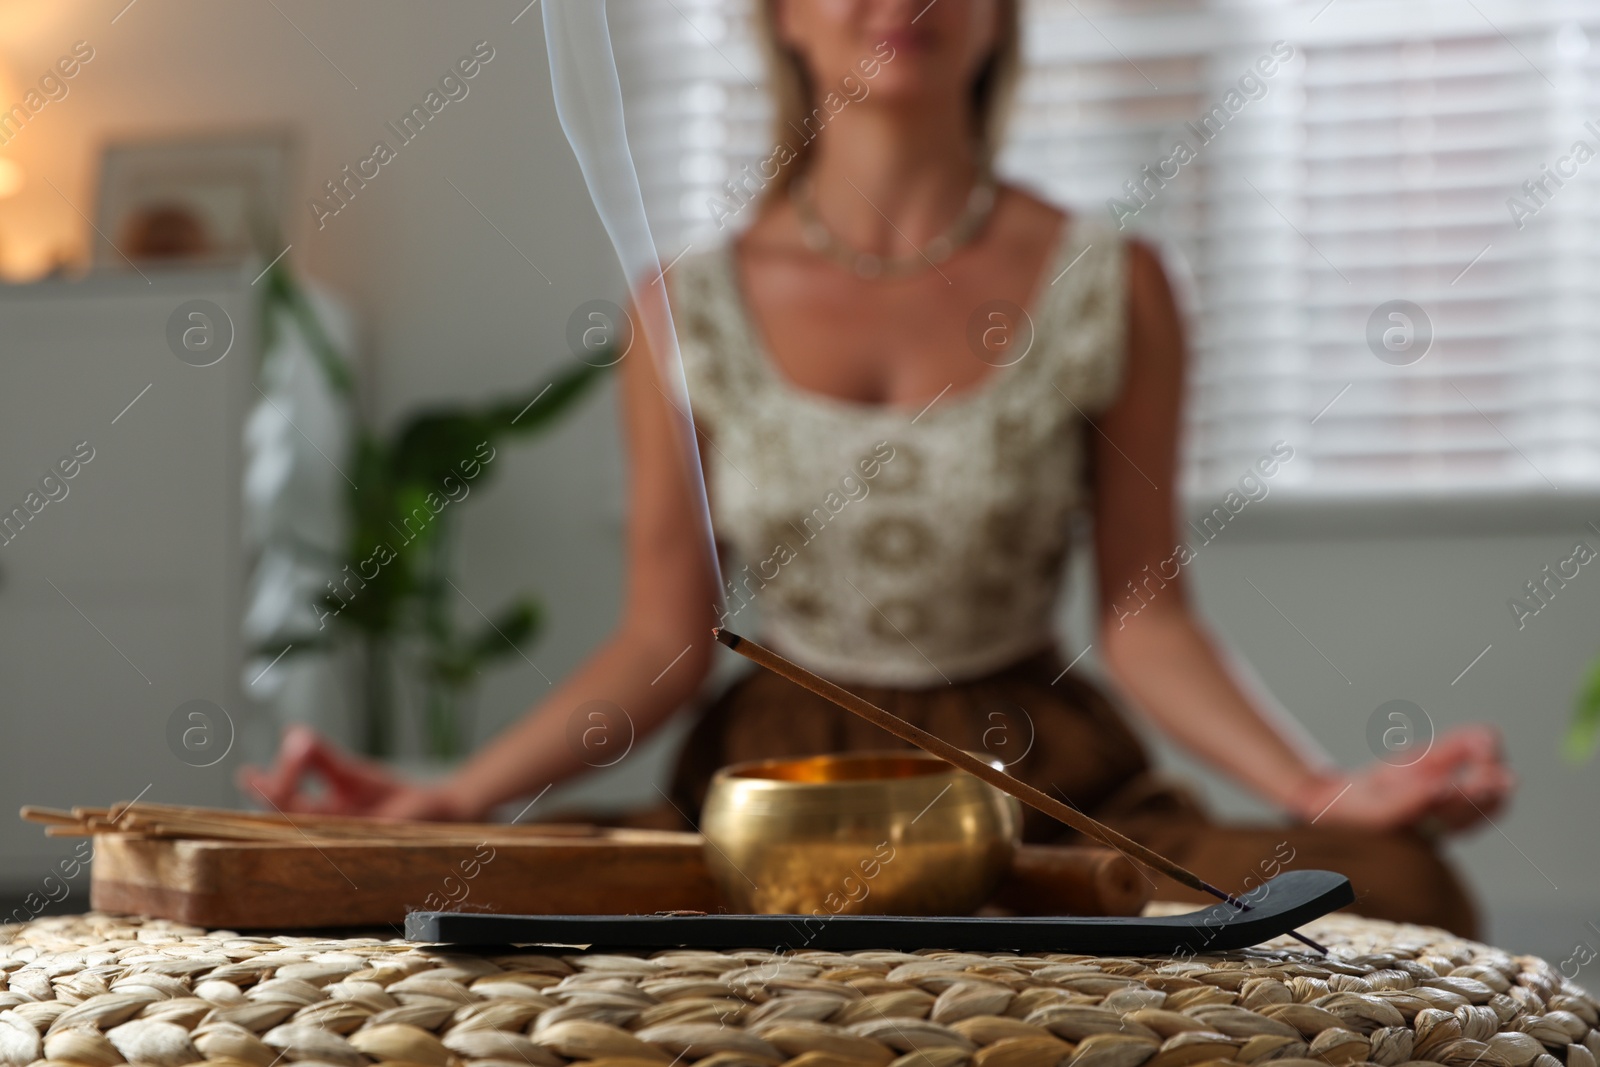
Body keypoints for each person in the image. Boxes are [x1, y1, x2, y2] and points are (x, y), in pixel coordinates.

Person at [242, 0, 1513, 935]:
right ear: (780, 16)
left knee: (1390, 892)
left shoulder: (1110, 283)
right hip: (767, 787)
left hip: (1042, 777)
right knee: (434, 906)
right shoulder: (681, 308)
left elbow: (1144, 613)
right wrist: (457, 794)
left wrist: (1316, 785)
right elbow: (662, 640)